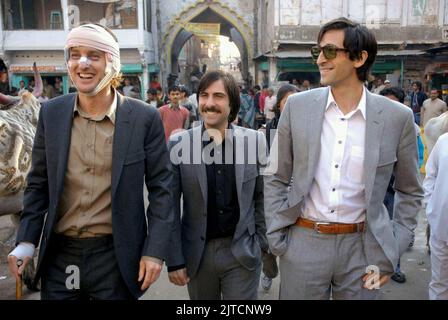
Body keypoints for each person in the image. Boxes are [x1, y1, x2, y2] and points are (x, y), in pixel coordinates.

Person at [7, 23, 174, 300]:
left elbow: (162, 190)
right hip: (61, 257)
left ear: (113, 63)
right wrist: (26, 241)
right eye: (74, 54)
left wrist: (154, 250)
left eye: (93, 55)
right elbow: (38, 183)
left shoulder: (144, 119)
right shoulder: (51, 114)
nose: (82, 64)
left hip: (116, 256)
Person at [264, 17, 423, 300]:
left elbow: (410, 190)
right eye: (317, 52)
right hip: (302, 242)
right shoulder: (297, 108)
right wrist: (278, 238)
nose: (320, 60)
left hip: (366, 249)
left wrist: (393, 247)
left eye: (329, 52)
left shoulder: (398, 118)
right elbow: (276, 174)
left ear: (359, 58)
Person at [166, 70, 268, 300]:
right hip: (197, 255)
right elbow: (168, 206)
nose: (209, 103)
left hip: (242, 252)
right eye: (204, 95)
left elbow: (262, 197)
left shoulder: (254, 142)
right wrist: (174, 259)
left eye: (218, 96)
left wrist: (262, 243)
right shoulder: (178, 145)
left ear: (232, 103)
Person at [379, 86, 424, 284]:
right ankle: (374, 269)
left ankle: (393, 266)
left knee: (393, 228)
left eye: (393, 103)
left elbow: (418, 155)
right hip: (376, 189)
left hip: (396, 188)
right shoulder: (370, 126)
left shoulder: (409, 127)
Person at [260, 83, 298, 291]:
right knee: (269, 236)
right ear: (279, 106)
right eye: (287, 102)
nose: (292, 106)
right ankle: (268, 270)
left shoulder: (306, 128)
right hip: (272, 190)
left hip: (297, 192)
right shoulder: (268, 129)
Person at [423, 132, 448, 299]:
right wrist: (430, 208)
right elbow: (430, 175)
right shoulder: (444, 141)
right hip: (441, 224)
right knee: (439, 282)